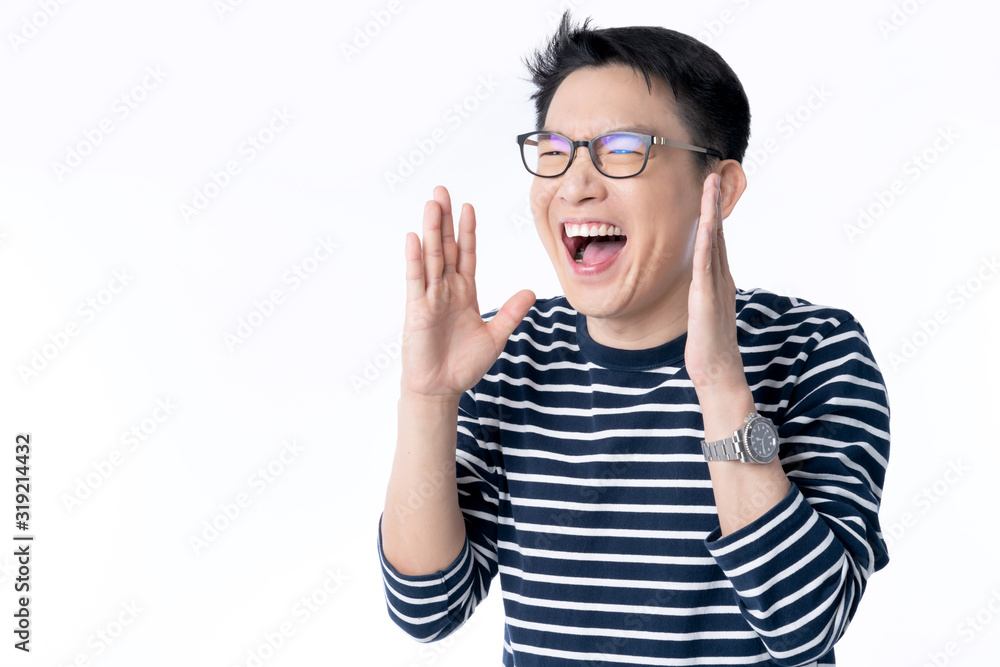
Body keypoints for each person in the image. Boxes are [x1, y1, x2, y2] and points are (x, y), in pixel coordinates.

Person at [378, 13, 890, 667]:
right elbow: (427, 610)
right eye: (554, 150)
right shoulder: (508, 354)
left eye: (622, 148)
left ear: (720, 186)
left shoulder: (815, 348)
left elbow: (804, 626)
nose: (575, 183)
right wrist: (428, 398)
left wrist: (721, 384)